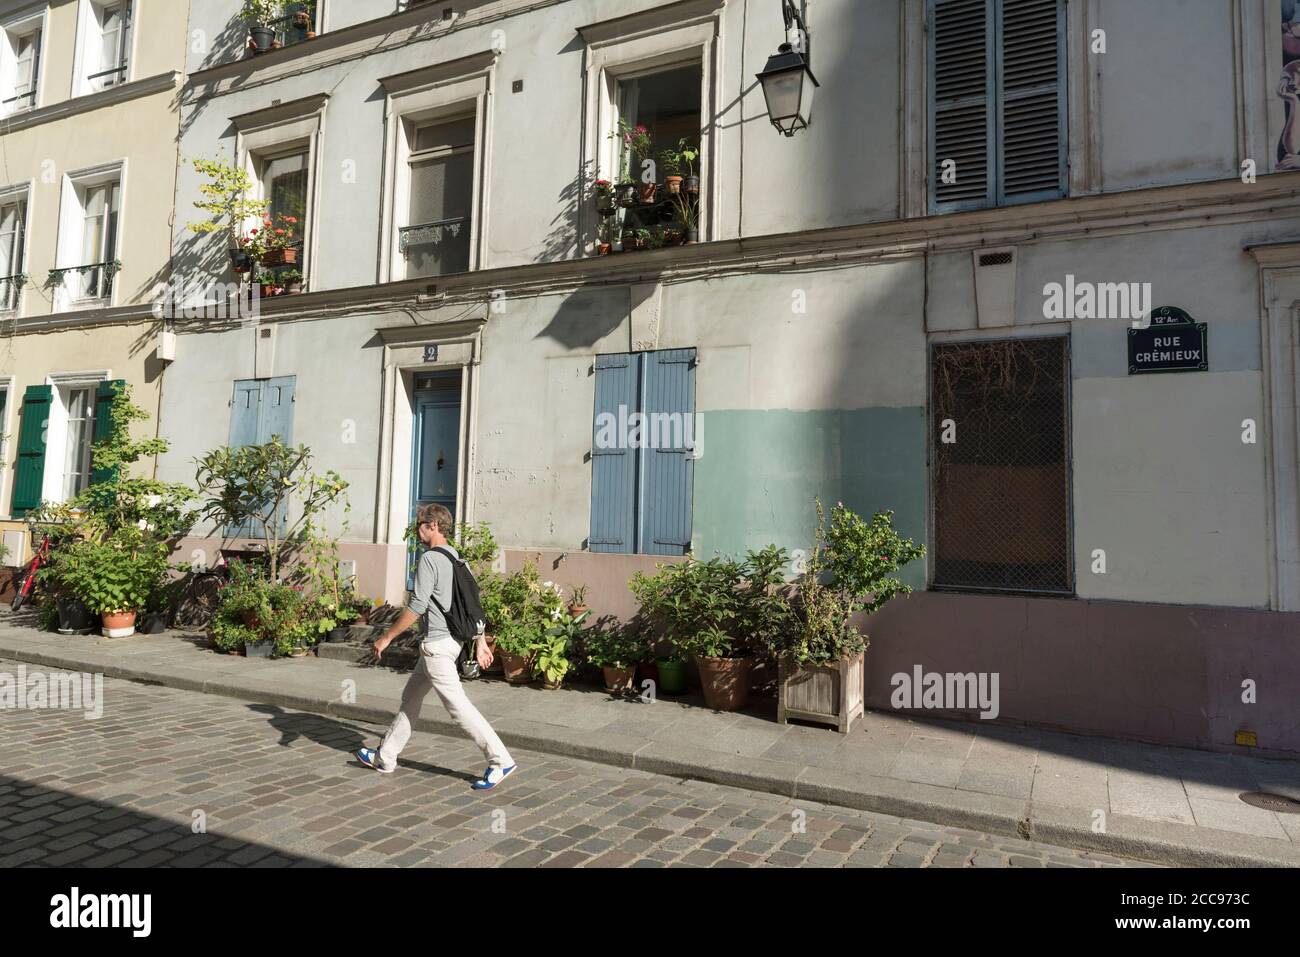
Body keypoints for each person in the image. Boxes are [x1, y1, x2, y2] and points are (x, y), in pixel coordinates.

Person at [356, 503, 517, 790]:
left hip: (436, 647)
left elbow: (416, 605)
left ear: (433, 526)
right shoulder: (458, 559)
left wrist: (386, 637)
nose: (416, 530)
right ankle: (386, 756)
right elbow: (473, 606)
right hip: (449, 644)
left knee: (458, 707)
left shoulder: (430, 559)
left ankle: (500, 759)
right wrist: (479, 641)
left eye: (420, 524)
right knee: (411, 697)